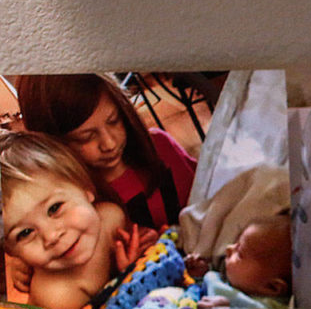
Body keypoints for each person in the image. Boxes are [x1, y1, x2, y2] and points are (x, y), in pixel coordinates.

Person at [15, 74, 197, 231]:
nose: (109, 143)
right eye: (85, 137)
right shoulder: (65, 204)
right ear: (53, 145)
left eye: (114, 120)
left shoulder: (160, 145)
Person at [0, 132, 155, 309]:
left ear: (86, 188)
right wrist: (128, 279)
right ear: (12, 252)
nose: (51, 236)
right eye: (25, 233)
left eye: (54, 208)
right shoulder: (56, 298)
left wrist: (143, 247)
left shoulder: (112, 217)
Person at [185, 213, 293, 309]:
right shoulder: (233, 279)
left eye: (239, 253)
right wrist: (200, 272)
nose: (228, 248)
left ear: (272, 288)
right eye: (235, 243)